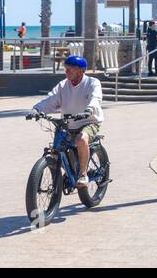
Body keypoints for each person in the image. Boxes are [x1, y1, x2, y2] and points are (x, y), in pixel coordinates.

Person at [27, 55, 104, 188]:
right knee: (55, 150)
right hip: (68, 122)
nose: (66, 72)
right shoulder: (63, 85)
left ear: (80, 71)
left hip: (89, 121)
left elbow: (95, 98)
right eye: (66, 69)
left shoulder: (92, 83)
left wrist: (89, 110)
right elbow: (50, 100)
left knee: (81, 139)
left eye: (70, 69)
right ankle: (65, 171)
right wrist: (37, 109)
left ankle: (83, 174)